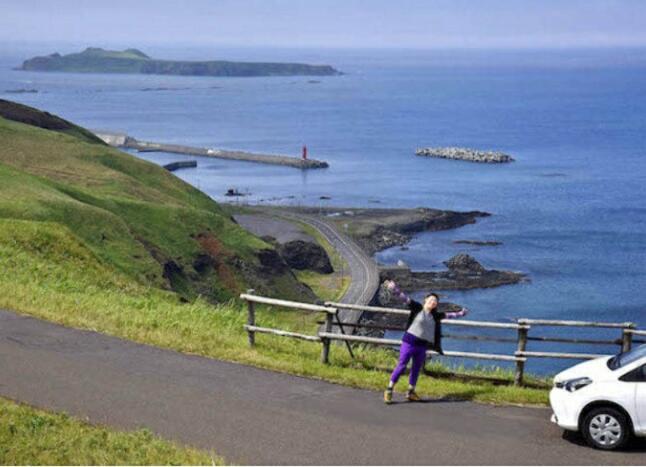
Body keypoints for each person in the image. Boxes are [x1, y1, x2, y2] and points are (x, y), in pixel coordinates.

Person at [383, 280, 468, 404]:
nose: (433, 302)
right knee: (401, 366)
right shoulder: (417, 308)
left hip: (422, 346)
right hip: (409, 343)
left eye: (435, 301)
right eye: (431, 299)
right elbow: (404, 298)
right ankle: (389, 390)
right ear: (425, 300)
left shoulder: (435, 316)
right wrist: (394, 288)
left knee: (416, 368)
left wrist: (462, 313)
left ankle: (411, 392)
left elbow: (450, 315)